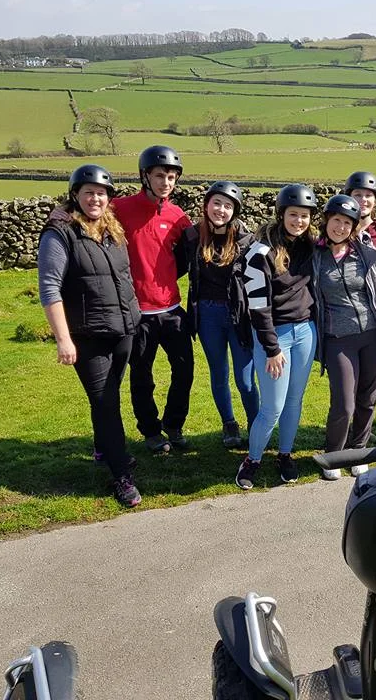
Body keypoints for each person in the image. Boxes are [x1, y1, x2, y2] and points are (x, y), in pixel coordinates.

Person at [38, 165, 142, 507]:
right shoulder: (61, 232)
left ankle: (104, 449)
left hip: (123, 329)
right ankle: (121, 475)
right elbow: (50, 287)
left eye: (101, 193)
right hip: (88, 335)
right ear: (76, 195)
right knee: (107, 403)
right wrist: (63, 339)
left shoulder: (112, 230)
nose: (95, 198)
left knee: (108, 399)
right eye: (88, 192)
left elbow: (122, 277)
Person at [312, 194, 376, 478]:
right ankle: (335, 454)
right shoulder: (314, 256)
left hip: (372, 335)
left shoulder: (365, 254)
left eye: (347, 223)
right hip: (338, 338)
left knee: (368, 397)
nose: (340, 227)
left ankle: (360, 450)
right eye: (336, 220)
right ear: (327, 221)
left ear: (354, 227)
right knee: (344, 402)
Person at [235, 184, 319, 490]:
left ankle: (285, 454)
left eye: (305, 216)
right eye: (293, 214)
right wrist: (271, 349)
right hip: (274, 337)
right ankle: (253, 459)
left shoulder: (309, 245)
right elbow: (258, 307)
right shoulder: (260, 253)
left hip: (305, 332)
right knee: (272, 407)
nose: (299, 220)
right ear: (281, 214)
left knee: (295, 401)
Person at [115, 145, 195, 454]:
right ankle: (150, 431)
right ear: (145, 176)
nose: (166, 182)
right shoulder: (119, 208)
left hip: (172, 310)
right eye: (160, 175)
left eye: (172, 177)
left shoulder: (177, 216)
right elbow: (86, 219)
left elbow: (191, 255)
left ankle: (174, 426)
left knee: (184, 371)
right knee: (141, 375)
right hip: (138, 313)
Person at [177, 180, 259, 449]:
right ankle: (229, 424)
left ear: (235, 211)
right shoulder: (191, 237)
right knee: (218, 373)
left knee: (245, 379)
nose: (221, 210)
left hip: (238, 315)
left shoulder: (247, 241)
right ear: (207, 205)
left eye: (228, 206)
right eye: (217, 203)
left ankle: (256, 423)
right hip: (207, 315)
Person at [344, 171, 376, 285]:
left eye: (368, 195)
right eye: (357, 195)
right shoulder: (338, 232)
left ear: (375, 201)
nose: (363, 200)